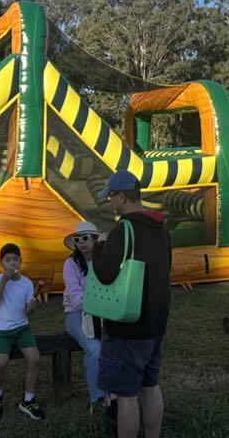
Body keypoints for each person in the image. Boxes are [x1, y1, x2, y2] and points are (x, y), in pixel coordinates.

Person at [92, 170, 171, 438]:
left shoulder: (121, 230)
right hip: (156, 321)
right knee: (150, 385)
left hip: (128, 324)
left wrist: (100, 247)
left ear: (122, 197)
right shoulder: (161, 228)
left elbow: (105, 274)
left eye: (111, 197)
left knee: (125, 396)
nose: (110, 202)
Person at [0, 242, 45, 421]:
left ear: (20, 261)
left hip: (22, 328)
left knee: (35, 358)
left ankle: (28, 400)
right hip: (1, 329)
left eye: (15, 259)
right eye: (8, 260)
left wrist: (32, 307)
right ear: (1, 263)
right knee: (1, 362)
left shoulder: (27, 283)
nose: (12, 263)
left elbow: (29, 311)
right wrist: (5, 279)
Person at [62, 221, 108, 409]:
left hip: (104, 314)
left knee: (114, 347)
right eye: (77, 239)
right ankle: (98, 398)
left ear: (95, 239)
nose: (81, 242)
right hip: (77, 314)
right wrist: (91, 306)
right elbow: (74, 295)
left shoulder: (104, 260)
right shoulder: (70, 263)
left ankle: (116, 392)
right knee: (94, 349)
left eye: (85, 238)